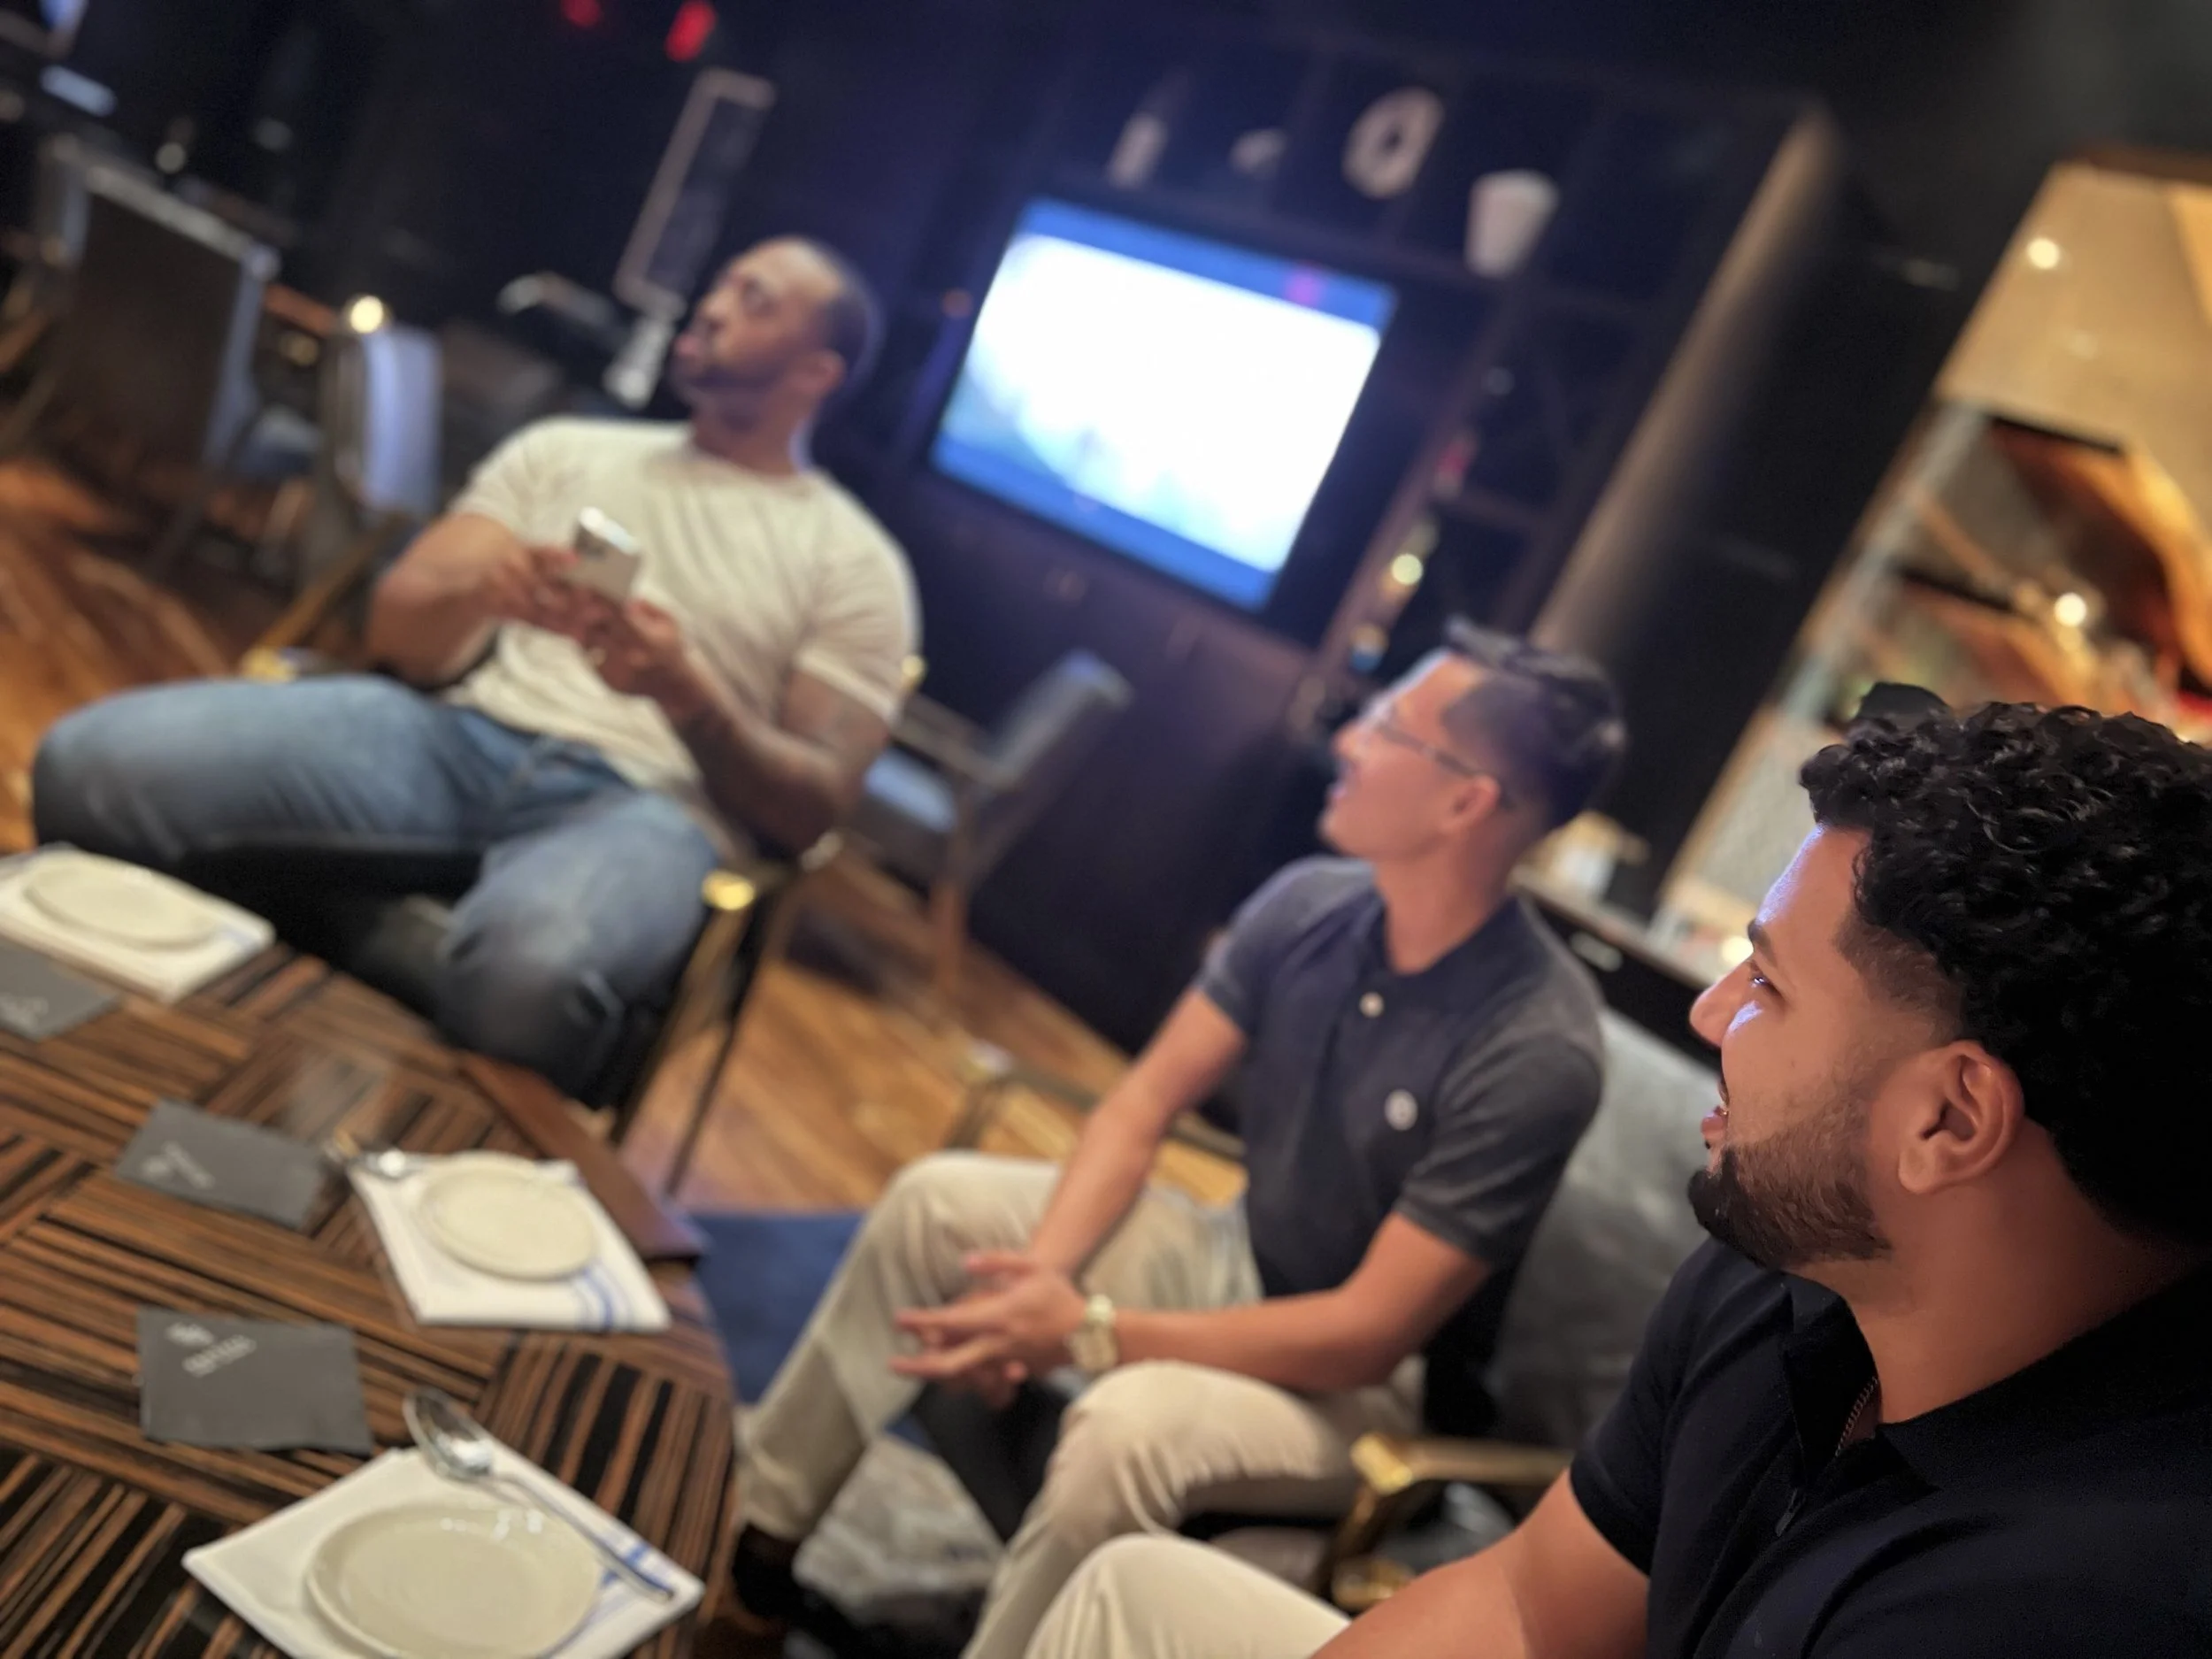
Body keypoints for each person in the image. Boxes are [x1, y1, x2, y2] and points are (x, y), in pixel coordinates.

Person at [1025, 699, 2212, 1659]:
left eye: (1769, 983)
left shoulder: (2085, 1595)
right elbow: (1531, 1608)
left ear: (1951, 1117)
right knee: (1135, 1591)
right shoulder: (1774, 1276)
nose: (1709, 1012)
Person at [714, 622, 1629, 1659]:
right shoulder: (1308, 905)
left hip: (1359, 1390)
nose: (1346, 741)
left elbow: (1366, 1332)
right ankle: (755, 1568)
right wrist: (1042, 1280)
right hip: (1227, 1258)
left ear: (1465, 800)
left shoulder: (1535, 1044)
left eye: (1385, 726)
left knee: (1124, 1429)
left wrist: (1088, 1330)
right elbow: (1141, 1104)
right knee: (938, 1205)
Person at [30, 236, 918, 1099]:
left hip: (649, 806)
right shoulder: (567, 451)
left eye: (755, 301)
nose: (714, 307)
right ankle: (400, 957)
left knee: (530, 981)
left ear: (816, 373)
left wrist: (683, 691)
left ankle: (298, 909)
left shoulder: (853, 563)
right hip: (460, 734)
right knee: (87, 768)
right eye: (723, 284)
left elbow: (811, 809)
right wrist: (488, 589)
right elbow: (396, 632)